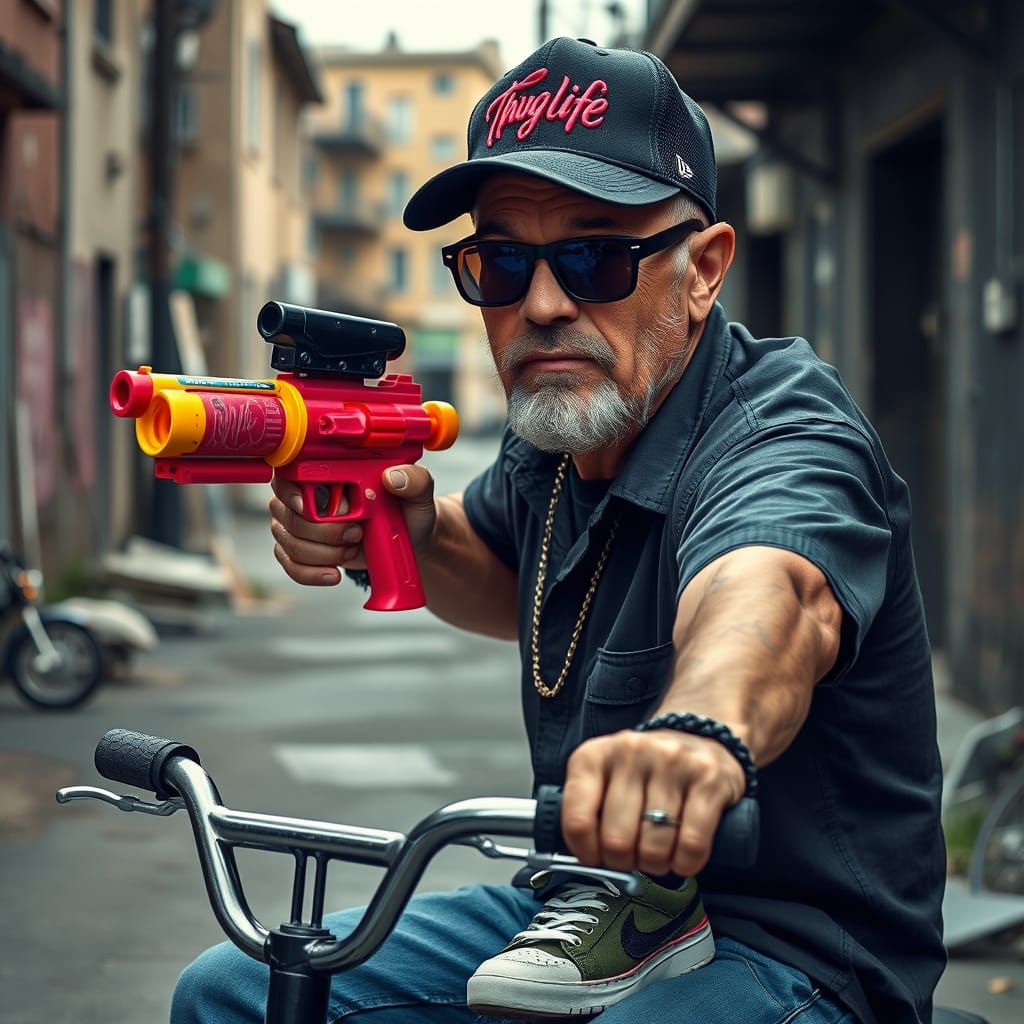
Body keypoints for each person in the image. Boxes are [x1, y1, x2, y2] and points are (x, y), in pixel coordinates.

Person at [172, 37, 946, 1024]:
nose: (541, 303)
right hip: (580, 905)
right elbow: (507, 576)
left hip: (792, 948)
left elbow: (772, 595)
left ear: (703, 270)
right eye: (501, 262)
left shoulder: (784, 430)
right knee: (235, 991)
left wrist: (698, 733)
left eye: (596, 256)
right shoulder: (557, 435)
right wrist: (399, 532)